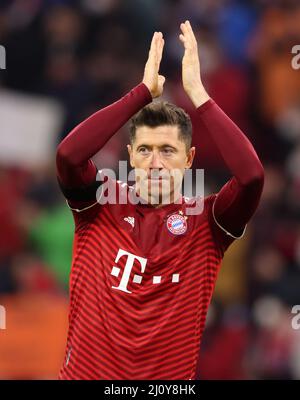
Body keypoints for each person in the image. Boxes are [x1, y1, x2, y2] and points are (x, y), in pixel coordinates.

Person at [56, 20, 264, 380]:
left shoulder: (209, 222)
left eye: (168, 150)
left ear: (189, 158)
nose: (155, 162)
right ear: (131, 156)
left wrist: (199, 95)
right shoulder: (99, 205)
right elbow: (68, 157)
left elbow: (251, 176)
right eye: (146, 150)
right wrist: (141, 93)